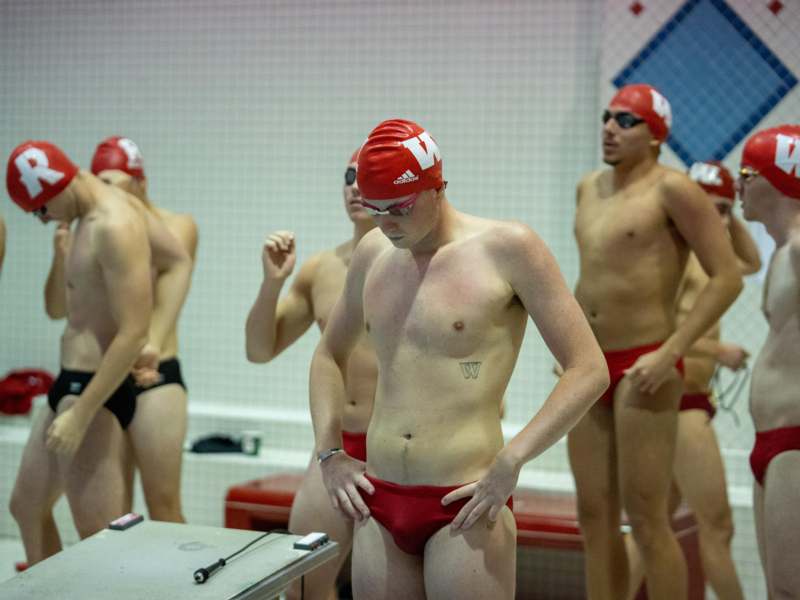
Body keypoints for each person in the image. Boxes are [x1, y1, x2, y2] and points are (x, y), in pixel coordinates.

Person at [309, 119, 609, 599]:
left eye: (399, 209)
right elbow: (328, 353)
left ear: (437, 187)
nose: (386, 224)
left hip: (464, 504)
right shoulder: (372, 254)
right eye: (375, 208)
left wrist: (514, 458)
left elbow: (589, 368)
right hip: (379, 501)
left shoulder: (508, 249)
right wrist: (329, 453)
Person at [569, 85, 743, 600]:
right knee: (593, 518)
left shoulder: (674, 191)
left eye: (626, 120)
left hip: (645, 363)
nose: (609, 127)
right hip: (591, 364)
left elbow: (729, 275)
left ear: (656, 134)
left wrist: (672, 351)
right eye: (607, 117)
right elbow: (591, 280)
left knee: (646, 520)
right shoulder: (588, 189)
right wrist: (572, 351)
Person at [7, 140, 191, 565]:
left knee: (103, 541)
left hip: (95, 392)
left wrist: (83, 411)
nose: (42, 219)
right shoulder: (82, 222)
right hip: (70, 383)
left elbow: (132, 331)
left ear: (52, 188)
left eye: (39, 210)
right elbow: (175, 259)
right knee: (27, 507)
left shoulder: (113, 223)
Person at [244, 149, 377, 600]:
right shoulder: (321, 270)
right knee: (299, 585)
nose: (355, 187)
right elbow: (259, 350)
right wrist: (273, 283)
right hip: (336, 449)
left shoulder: (418, 266)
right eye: (348, 176)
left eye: (368, 176)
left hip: (404, 449)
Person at [624, 161, 757, 600]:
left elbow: (752, 261)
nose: (719, 219)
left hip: (688, 398)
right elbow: (652, 338)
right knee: (716, 525)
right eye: (710, 209)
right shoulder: (677, 261)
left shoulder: (705, 257)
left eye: (725, 210)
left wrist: (726, 214)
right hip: (680, 404)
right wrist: (719, 351)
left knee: (652, 524)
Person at [91, 136, 197, 523]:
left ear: (140, 181)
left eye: (112, 184)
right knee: (114, 513)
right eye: (97, 184)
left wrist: (148, 344)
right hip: (112, 376)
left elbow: (173, 262)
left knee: (163, 505)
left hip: (158, 373)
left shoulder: (178, 226)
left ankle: (181, 586)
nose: (103, 194)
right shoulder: (99, 233)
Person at [738, 124, 800, 599]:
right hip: (772, 440)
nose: (739, 185)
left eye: (747, 172)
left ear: (778, 179)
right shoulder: (782, 252)